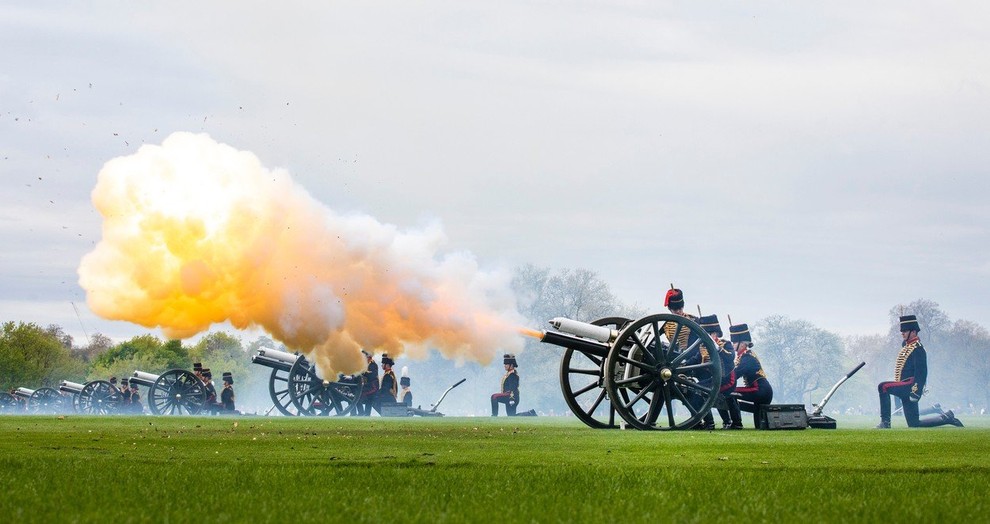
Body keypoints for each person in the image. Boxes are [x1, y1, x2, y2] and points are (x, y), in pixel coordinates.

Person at [876, 314, 963, 428]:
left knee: (883, 386)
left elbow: (921, 373)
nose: (902, 333)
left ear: (913, 332)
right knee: (914, 424)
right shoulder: (908, 346)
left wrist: (916, 391)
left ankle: (885, 423)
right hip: (905, 386)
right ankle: (946, 418)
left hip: (909, 386)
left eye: (905, 331)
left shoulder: (918, 349)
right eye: (902, 331)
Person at [699, 314, 743, 430]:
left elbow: (730, 356)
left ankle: (733, 423)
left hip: (728, 378)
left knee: (709, 392)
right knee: (697, 388)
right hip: (716, 378)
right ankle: (711, 421)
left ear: (715, 334)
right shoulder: (702, 346)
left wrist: (717, 348)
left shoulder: (725, 344)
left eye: (709, 334)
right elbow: (695, 359)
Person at [729, 322, 773, 428]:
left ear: (743, 344)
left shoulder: (747, 358)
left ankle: (736, 424)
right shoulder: (746, 356)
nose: (733, 344)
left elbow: (735, 374)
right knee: (759, 427)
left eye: (735, 342)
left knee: (730, 392)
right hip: (761, 390)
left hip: (760, 391)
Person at [358, 351, 380, 416]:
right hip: (367, 385)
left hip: (373, 386)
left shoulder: (373, 364)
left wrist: (363, 373)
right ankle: (362, 413)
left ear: (368, 356)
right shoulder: (366, 364)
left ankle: (365, 414)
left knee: (365, 398)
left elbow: (372, 375)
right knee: (359, 396)